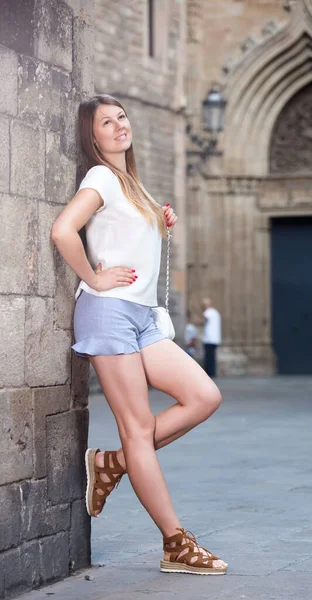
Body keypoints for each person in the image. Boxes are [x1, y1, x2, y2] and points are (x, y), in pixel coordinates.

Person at [51, 94, 228, 576]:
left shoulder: (130, 183)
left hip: (143, 317)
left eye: (121, 117)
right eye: (105, 122)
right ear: (93, 137)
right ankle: (176, 543)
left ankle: (111, 464)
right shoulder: (101, 177)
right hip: (109, 313)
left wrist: (158, 220)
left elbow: (123, 235)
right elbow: (64, 230)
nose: (118, 126)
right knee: (139, 430)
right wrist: (94, 275)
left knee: (203, 395)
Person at [202, 298, 222, 378]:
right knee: (212, 357)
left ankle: (210, 373)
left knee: (208, 358)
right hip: (215, 339)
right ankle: (212, 372)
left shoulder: (208, 312)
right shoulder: (216, 312)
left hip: (209, 339)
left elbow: (203, 319)